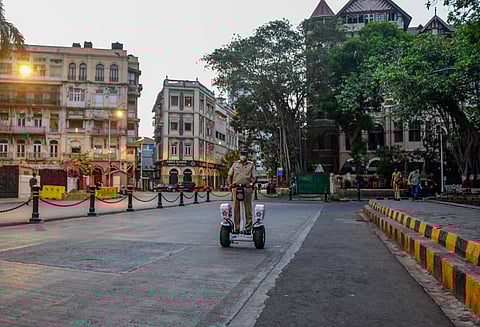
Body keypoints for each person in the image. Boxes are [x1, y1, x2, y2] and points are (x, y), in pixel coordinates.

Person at [228, 147, 257, 234]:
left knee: (248, 208)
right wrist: (230, 185)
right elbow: (229, 175)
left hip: (246, 188)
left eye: (244, 154)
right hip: (236, 188)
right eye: (242, 154)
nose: (243, 156)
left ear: (247, 155)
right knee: (236, 208)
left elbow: (254, 177)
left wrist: (251, 184)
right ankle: (237, 227)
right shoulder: (235, 164)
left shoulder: (251, 165)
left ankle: (248, 227)